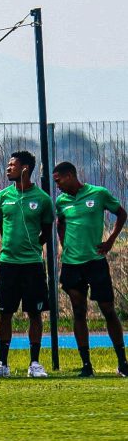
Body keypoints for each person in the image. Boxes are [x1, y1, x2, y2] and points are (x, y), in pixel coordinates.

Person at [53, 161, 128, 377]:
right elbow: (60, 223)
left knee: (108, 310)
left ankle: (122, 362)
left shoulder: (99, 193)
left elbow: (121, 214)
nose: (57, 185)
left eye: (59, 180)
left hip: (95, 262)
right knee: (78, 311)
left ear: (70, 175)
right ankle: (86, 365)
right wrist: (63, 245)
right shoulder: (61, 201)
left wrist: (111, 240)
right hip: (71, 264)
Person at [0, 151, 54, 378]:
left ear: (25, 168)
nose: (8, 168)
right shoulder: (2, 196)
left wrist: (31, 247)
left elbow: (46, 231)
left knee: (35, 314)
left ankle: (34, 363)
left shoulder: (42, 199)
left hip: (33, 264)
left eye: (12, 165)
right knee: (5, 313)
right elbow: (1, 226)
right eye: (7, 164)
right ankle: (2, 363)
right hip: (8, 264)